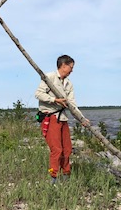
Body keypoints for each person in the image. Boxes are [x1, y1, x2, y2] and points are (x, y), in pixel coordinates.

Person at [35, 54, 89, 183]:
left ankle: (66, 176)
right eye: (71, 67)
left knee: (67, 149)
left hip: (62, 118)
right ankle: (53, 178)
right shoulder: (50, 77)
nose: (72, 70)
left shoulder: (68, 84)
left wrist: (82, 119)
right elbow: (38, 94)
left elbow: (72, 104)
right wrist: (54, 100)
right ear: (63, 66)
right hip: (50, 117)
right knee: (56, 149)